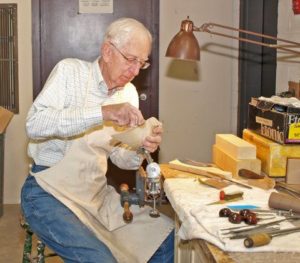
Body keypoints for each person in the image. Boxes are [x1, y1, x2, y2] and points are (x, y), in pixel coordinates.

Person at [21, 17, 174, 263]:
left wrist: (140, 146)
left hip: (94, 193)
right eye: (131, 59)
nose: (135, 71)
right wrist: (103, 113)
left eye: (142, 63)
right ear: (107, 51)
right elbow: (35, 125)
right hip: (48, 191)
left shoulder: (128, 93)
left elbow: (120, 157)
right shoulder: (70, 72)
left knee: (171, 241)